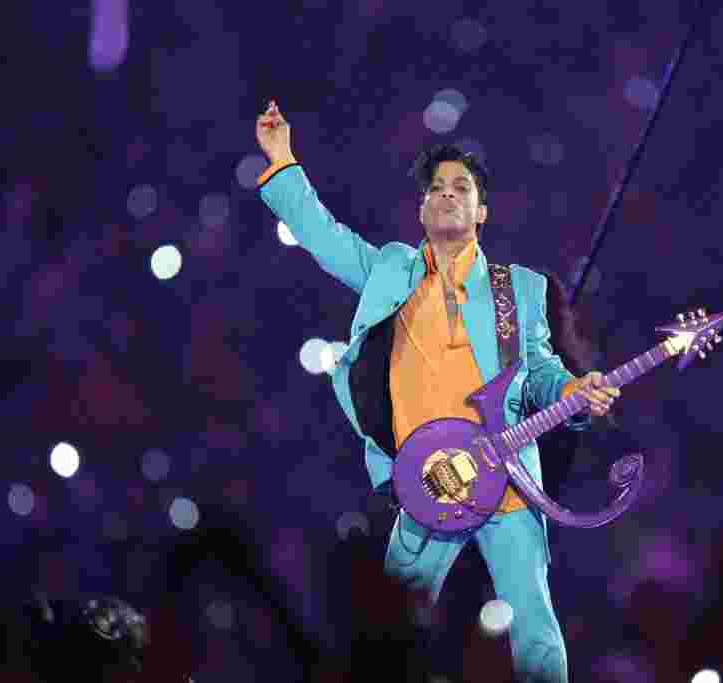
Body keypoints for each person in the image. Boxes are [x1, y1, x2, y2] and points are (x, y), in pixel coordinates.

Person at [255, 100, 620, 683]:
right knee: (388, 621)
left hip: (508, 478)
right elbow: (323, 237)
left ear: (482, 212)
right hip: (427, 481)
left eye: (462, 187)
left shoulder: (517, 289)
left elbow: (542, 373)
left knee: (534, 616)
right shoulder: (390, 271)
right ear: (423, 209)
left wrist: (575, 391)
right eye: (437, 189)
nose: (447, 194)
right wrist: (282, 160)